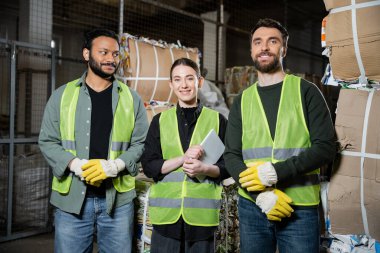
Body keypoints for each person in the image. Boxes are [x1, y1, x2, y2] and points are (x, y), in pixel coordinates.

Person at [224, 18, 336, 253]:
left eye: (272, 41)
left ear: (283, 49)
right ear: (252, 50)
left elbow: (325, 147)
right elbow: (232, 155)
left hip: (299, 207)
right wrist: (260, 195)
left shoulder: (306, 91)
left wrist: (275, 172)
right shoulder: (242, 100)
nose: (264, 47)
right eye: (258, 42)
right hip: (253, 206)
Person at [39, 28, 148, 253]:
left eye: (116, 54)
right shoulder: (62, 95)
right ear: (87, 54)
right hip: (72, 200)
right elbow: (48, 141)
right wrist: (74, 164)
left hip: (117, 200)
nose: (111, 59)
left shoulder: (131, 98)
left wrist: (116, 165)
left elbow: (141, 143)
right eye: (104, 52)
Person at [141, 58, 229, 253]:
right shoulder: (160, 121)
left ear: (200, 82)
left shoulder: (218, 120)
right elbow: (149, 166)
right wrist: (183, 158)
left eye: (190, 78)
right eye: (178, 79)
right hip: (166, 219)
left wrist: (205, 169)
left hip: (202, 221)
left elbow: (229, 165)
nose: (184, 85)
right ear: (171, 84)